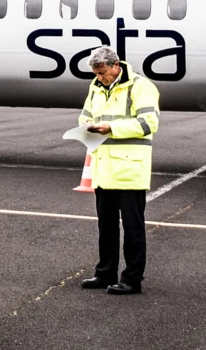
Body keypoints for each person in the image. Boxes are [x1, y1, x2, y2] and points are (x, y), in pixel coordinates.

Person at [77, 46, 160, 295]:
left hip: (130, 169)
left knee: (133, 229)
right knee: (107, 227)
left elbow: (149, 123)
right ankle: (105, 273)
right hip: (104, 167)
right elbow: (85, 115)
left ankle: (132, 279)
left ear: (116, 66)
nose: (100, 77)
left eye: (103, 72)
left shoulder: (140, 86)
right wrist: (86, 126)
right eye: (96, 73)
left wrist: (110, 128)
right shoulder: (95, 86)